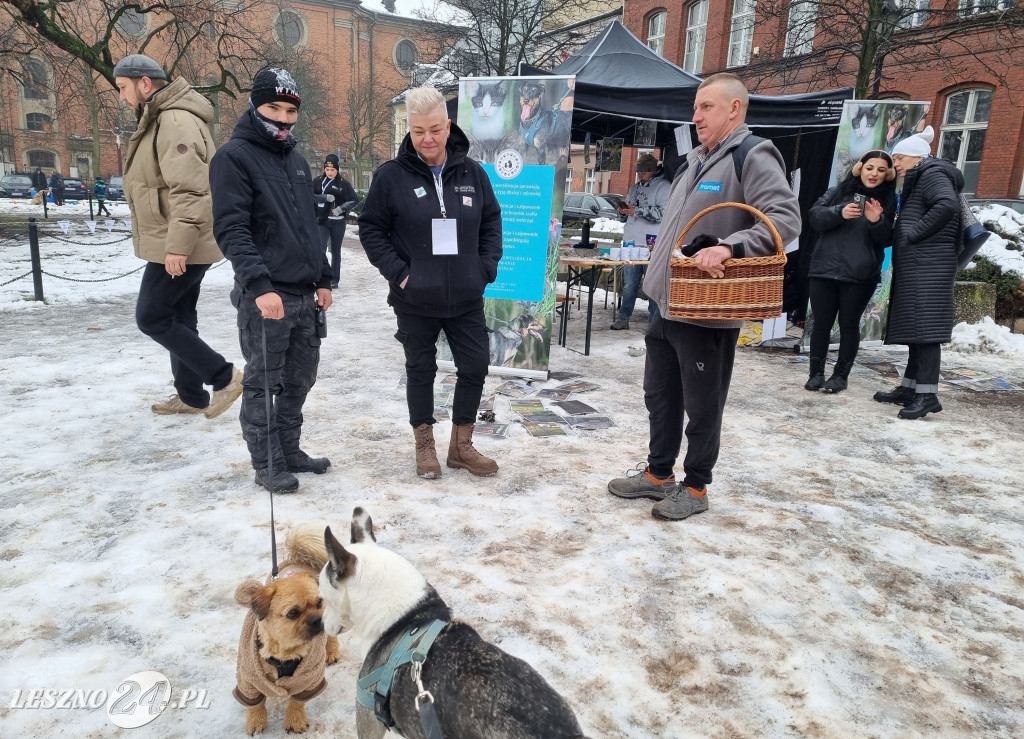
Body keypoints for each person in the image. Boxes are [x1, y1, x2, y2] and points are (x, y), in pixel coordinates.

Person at [607, 73, 801, 521]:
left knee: (702, 402)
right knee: (660, 395)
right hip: (668, 301)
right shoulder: (697, 159)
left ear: (735, 109)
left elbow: (785, 220)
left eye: (707, 107)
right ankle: (659, 476)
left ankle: (695, 486)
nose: (696, 117)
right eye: (695, 108)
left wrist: (731, 247)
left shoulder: (752, 154)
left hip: (707, 309)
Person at [359, 85, 502, 480]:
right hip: (415, 300)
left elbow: (491, 222)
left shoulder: (473, 172)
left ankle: (462, 446)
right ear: (409, 127)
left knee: (475, 365)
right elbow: (371, 230)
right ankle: (425, 445)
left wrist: (485, 267)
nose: (428, 139)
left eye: (435, 129)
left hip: (466, 296)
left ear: (448, 124)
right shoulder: (391, 176)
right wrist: (402, 274)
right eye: (419, 130)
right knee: (420, 369)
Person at [210, 67, 334, 494]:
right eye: (272, 108)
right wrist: (260, 286)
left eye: (289, 110)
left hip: (304, 296)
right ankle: (267, 462)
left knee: (300, 380)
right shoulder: (234, 157)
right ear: (254, 105)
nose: (282, 118)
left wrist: (325, 279)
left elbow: (309, 227)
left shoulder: (297, 161)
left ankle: (290, 447)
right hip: (267, 297)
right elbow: (232, 229)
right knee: (263, 383)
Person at [115, 53, 243, 420]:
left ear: (144, 83)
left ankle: (224, 377)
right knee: (179, 317)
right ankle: (191, 396)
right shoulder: (160, 117)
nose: (122, 97)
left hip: (181, 243)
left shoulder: (174, 120)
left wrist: (177, 248)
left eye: (123, 88)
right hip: (177, 239)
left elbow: (191, 190)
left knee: (152, 316)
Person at [873, 126, 961, 420]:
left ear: (916, 157)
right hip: (922, 265)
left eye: (899, 158)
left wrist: (912, 234)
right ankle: (911, 388)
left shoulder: (932, 174)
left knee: (925, 332)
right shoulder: (923, 176)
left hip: (929, 265)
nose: (895, 164)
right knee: (916, 329)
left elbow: (946, 205)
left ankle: (927, 395)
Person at [804, 150, 896, 393]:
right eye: (870, 168)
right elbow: (814, 217)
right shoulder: (837, 191)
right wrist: (839, 212)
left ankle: (840, 376)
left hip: (859, 275)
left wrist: (877, 220)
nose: (874, 173)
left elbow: (886, 239)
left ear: (888, 175)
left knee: (849, 325)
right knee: (821, 324)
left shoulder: (888, 200)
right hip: (824, 269)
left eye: (881, 170)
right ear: (860, 168)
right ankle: (815, 374)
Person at [610, 152, 672, 331]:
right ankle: (623, 318)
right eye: (639, 171)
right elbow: (629, 212)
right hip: (631, 242)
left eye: (644, 171)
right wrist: (623, 212)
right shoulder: (634, 188)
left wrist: (636, 211)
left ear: (653, 170)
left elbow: (662, 214)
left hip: (652, 244)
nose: (640, 174)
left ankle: (653, 322)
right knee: (629, 284)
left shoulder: (664, 187)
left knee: (652, 283)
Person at [313, 154, 358, 289]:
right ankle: (320, 276)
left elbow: (354, 199)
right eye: (327, 170)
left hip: (338, 222)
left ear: (337, 170)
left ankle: (334, 279)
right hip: (323, 220)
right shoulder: (317, 181)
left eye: (332, 170)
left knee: (335, 250)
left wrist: (340, 209)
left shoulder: (343, 184)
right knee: (320, 249)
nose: (330, 172)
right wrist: (323, 197)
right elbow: (308, 195)